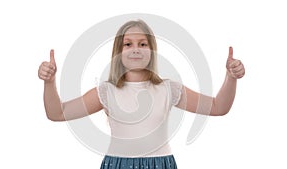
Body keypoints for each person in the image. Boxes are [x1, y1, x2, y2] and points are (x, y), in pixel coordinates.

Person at [38, 19, 245, 169]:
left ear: (152, 50)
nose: (135, 49)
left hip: (160, 164)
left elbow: (218, 107)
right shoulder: (106, 91)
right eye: (128, 44)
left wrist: (231, 77)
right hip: (117, 164)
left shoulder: (168, 89)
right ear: (118, 52)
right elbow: (57, 113)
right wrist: (49, 82)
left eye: (143, 44)